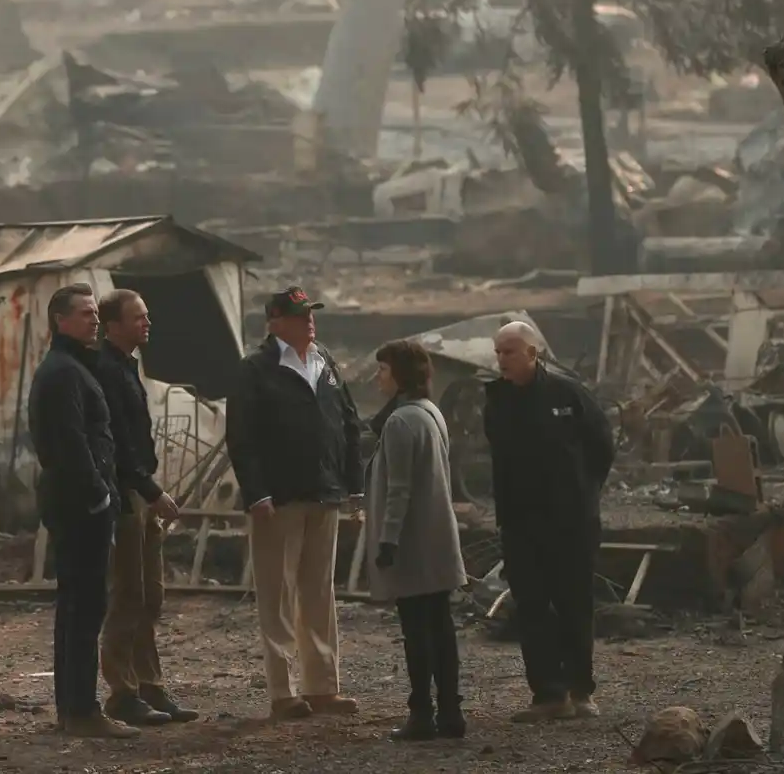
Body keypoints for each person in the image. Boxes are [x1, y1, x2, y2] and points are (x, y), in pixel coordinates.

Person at [225, 286, 363, 720]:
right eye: (300, 315)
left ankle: (323, 686)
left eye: (310, 314)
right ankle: (283, 692)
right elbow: (242, 436)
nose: (309, 321)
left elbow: (349, 424)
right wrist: (256, 491)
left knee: (319, 592)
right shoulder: (256, 369)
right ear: (276, 321)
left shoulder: (325, 363)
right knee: (278, 594)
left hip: (324, 492)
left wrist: (353, 483)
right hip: (279, 497)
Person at [485, 320, 614, 723]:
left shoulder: (568, 394)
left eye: (509, 351)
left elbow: (602, 447)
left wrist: (581, 492)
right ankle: (548, 694)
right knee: (532, 607)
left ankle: (580, 690)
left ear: (531, 353)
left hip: (570, 522)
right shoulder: (498, 401)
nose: (501, 360)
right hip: (522, 524)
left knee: (575, 602)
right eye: (498, 352)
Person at [28, 282, 135, 739]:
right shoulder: (63, 372)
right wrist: (99, 496)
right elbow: (72, 444)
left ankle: (74, 707)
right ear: (60, 320)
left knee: (78, 607)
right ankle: (80, 709)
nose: (94, 319)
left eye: (95, 313)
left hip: (78, 504)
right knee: (84, 608)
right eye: (85, 313)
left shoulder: (70, 367)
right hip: (80, 507)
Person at [93, 289, 198, 726]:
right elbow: (117, 447)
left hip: (141, 492)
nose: (146, 323)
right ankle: (122, 692)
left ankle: (149, 685)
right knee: (127, 595)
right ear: (113, 325)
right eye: (137, 318)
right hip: (125, 494)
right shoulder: (105, 371)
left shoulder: (128, 367)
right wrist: (151, 491)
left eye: (146, 316)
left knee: (149, 595)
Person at [364, 339, 468, 741]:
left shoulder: (402, 421)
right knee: (441, 628)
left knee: (418, 632)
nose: (378, 377)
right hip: (437, 540)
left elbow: (399, 490)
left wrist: (387, 542)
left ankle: (422, 713)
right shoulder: (430, 413)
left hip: (412, 544)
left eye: (384, 370)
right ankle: (450, 712)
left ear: (401, 375)